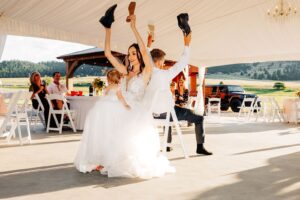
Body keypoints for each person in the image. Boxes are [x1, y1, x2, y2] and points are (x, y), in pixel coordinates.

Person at [74, 7, 174, 179]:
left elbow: (144, 50)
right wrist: (108, 28)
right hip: (122, 104)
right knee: (100, 110)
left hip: (134, 108)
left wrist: (133, 26)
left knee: (107, 110)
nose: (131, 56)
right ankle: (102, 157)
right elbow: (107, 53)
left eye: (134, 53)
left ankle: (110, 158)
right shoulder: (126, 72)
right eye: (129, 54)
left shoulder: (146, 72)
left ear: (140, 56)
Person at [145, 32, 212, 155]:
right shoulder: (165, 74)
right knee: (198, 118)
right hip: (168, 114)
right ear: (159, 62)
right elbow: (183, 62)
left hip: (152, 114)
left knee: (168, 111)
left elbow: (146, 58)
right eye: (163, 61)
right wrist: (187, 44)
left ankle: (167, 145)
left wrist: (148, 45)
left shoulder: (146, 74)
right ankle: (200, 147)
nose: (164, 64)